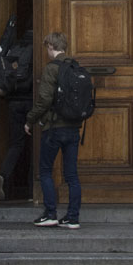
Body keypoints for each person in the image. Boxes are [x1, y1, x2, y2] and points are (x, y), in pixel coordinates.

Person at [25, 31, 81, 229]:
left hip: (54, 127)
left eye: (47, 48)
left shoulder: (52, 68)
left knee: (46, 171)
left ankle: (51, 213)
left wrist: (30, 119)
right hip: (73, 127)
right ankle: (73, 217)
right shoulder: (75, 66)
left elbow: (44, 100)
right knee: (72, 175)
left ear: (51, 46)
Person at [0, 28, 34, 201]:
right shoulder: (37, 48)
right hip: (31, 102)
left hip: (13, 102)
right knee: (35, 146)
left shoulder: (15, 46)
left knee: (16, 144)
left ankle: (4, 173)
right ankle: (33, 189)